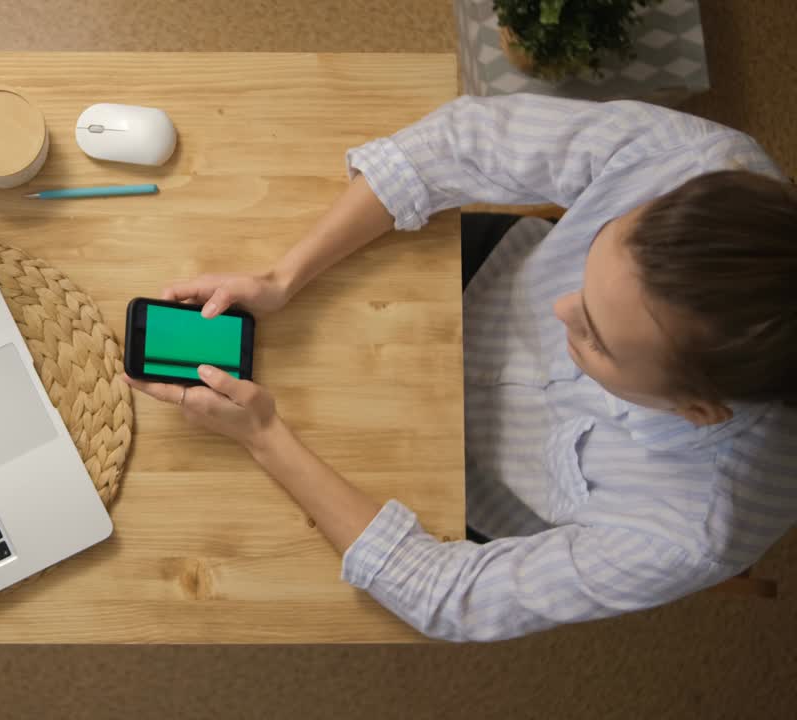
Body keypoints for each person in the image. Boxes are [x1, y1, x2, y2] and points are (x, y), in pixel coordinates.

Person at [123, 94, 797, 641]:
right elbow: (463, 141)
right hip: (478, 274)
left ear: (698, 410)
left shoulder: (691, 532)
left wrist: (265, 438)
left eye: (595, 336)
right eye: (589, 266)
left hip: (469, 483)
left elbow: (450, 596)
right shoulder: (696, 165)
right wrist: (282, 275)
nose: (559, 307)